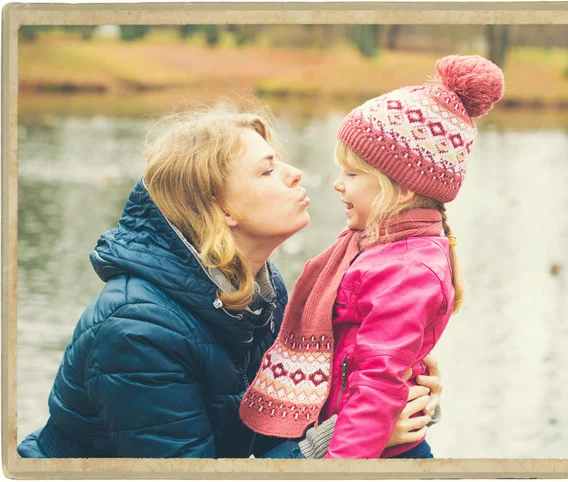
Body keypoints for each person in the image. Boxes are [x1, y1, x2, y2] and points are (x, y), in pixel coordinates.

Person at [17, 106, 442, 458]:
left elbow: (275, 420)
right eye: (266, 171)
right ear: (219, 209)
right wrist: (336, 440)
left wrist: (403, 395)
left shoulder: (258, 295)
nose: (296, 174)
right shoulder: (136, 330)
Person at [240, 55, 505, 459]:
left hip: (373, 454)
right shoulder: (375, 248)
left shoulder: (406, 271)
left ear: (396, 189)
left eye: (352, 174)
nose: (337, 184)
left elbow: (379, 383)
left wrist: (337, 464)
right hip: (363, 439)